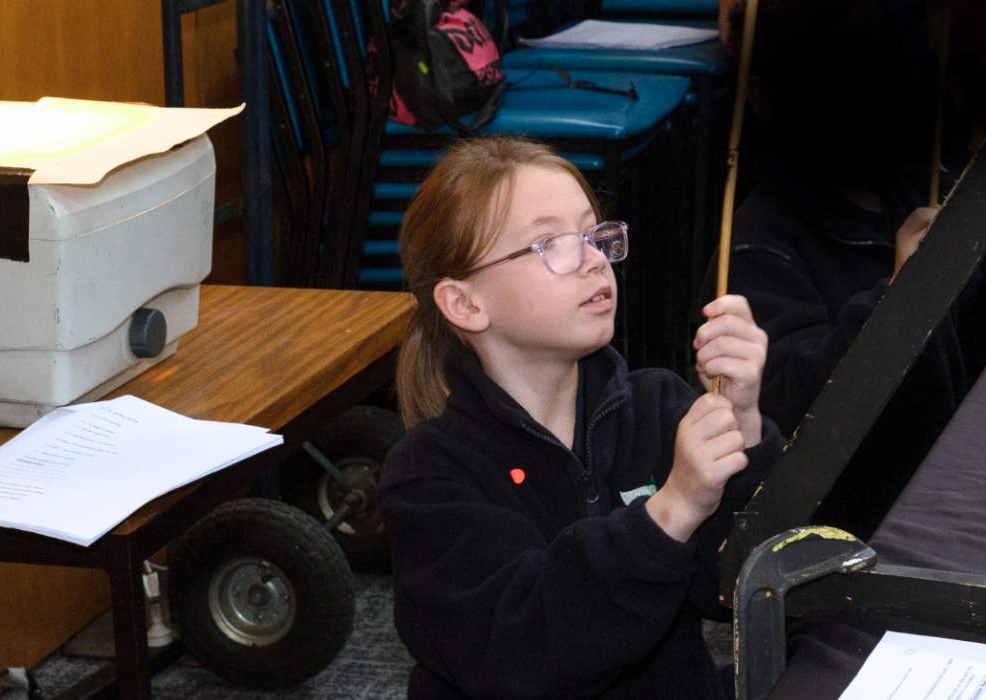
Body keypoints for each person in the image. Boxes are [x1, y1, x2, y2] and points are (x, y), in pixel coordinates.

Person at [378, 136, 783, 698]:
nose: (594, 258)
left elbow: (739, 588)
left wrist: (745, 425)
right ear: (466, 304)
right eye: (549, 243)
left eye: (594, 234)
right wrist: (671, 510)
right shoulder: (429, 475)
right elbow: (524, 656)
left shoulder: (659, 408)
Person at [712, 0, 986, 538]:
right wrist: (903, 296)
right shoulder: (759, 247)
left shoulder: (927, 186)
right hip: (858, 533)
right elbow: (794, 419)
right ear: (769, 97)